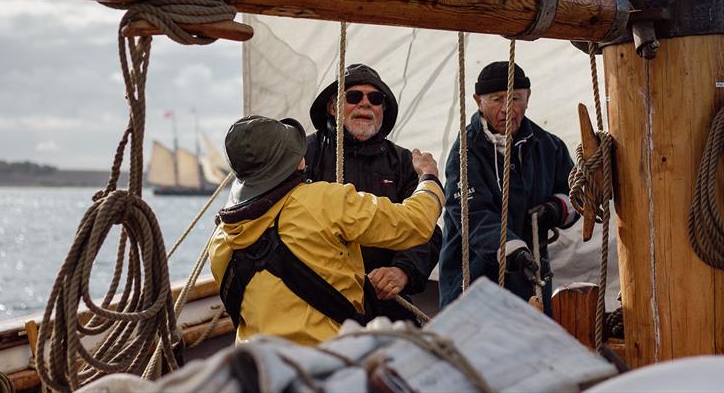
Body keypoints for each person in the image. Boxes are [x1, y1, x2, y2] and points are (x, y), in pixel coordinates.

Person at [208, 115, 444, 346]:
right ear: (294, 161)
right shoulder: (325, 202)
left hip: (258, 369)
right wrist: (429, 178)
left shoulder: (220, 240)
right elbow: (416, 223)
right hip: (328, 361)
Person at [305, 63, 442, 324]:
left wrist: (402, 271)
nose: (365, 104)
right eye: (353, 96)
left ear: (382, 111)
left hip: (384, 302)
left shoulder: (403, 162)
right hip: (316, 300)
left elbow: (428, 232)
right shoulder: (304, 154)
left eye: (375, 99)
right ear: (333, 108)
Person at [438, 61, 578, 315]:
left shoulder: (548, 146)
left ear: (528, 97)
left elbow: (576, 195)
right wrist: (514, 250)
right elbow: (472, 214)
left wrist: (555, 209)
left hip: (530, 287)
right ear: (477, 100)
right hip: (473, 286)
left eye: (515, 98)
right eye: (496, 99)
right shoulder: (465, 154)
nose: (506, 109)